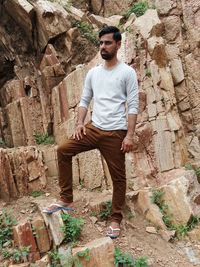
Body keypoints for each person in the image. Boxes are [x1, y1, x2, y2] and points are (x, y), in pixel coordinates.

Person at [43, 26, 139, 239]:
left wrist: (130, 135)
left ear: (118, 44)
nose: (103, 46)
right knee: (63, 150)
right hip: (93, 128)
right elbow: (84, 100)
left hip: (116, 133)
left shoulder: (127, 73)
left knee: (119, 178)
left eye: (108, 43)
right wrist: (79, 123)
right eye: (101, 43)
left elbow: (133, 105)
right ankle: (66, 199)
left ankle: (115, 219)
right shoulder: (94, 73)